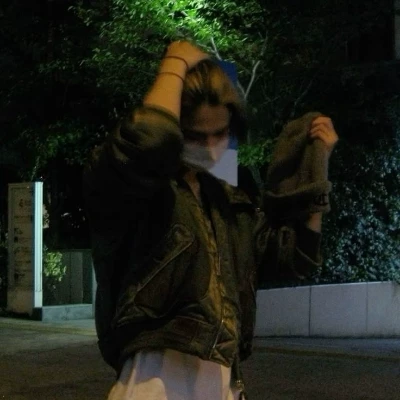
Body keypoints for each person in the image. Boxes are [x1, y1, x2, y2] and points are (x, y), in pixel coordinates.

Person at [83, 40, 338, 400]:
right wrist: (176, 61)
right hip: (155, 382)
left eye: (220, 133)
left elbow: (293, 258)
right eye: (195, 135)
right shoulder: (135, 192)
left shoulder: (228, 199)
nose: (211, 146)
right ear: (176, 128)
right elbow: (148, 140)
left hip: (223, 381)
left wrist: (316, 166)